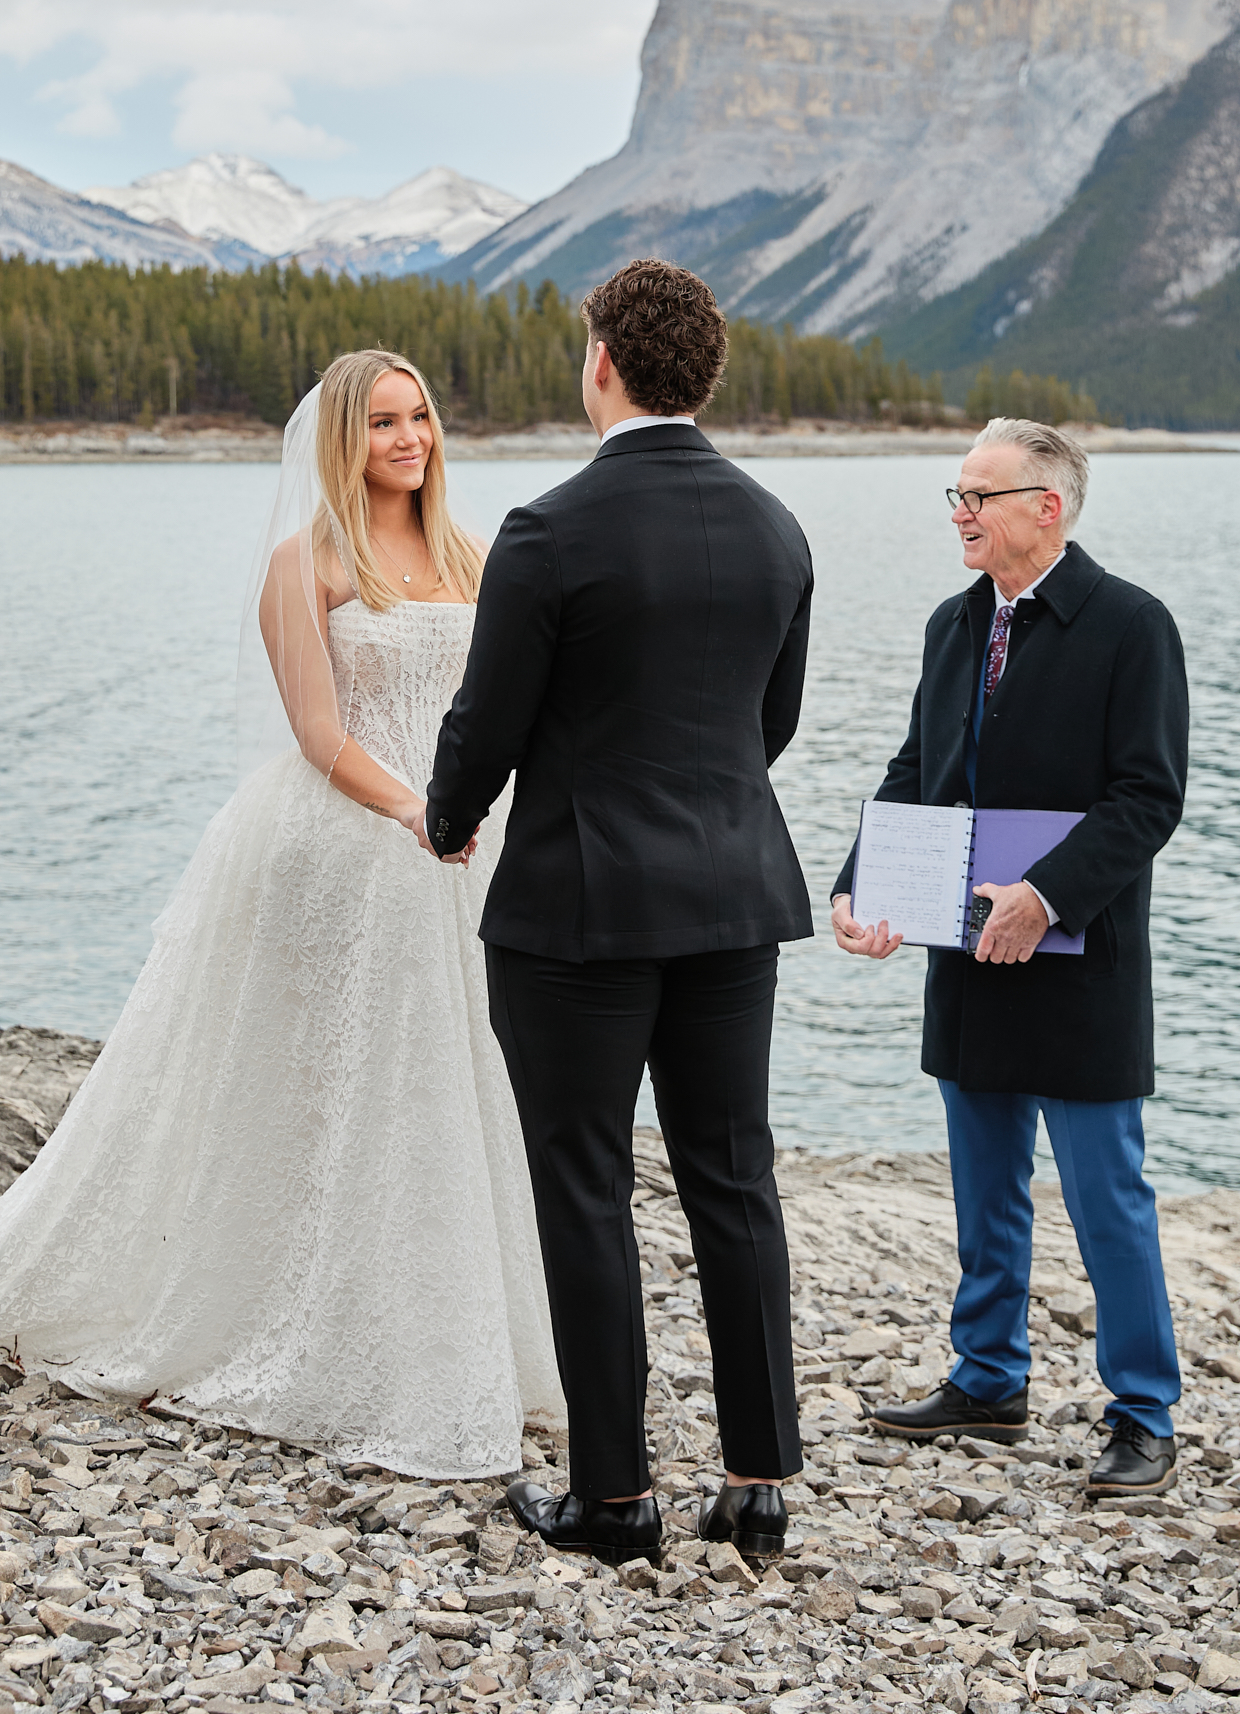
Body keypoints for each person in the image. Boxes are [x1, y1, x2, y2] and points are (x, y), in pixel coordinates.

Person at [0, 349, 561, 1479]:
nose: (407, 438)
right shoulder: (306, 561)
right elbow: (319, 733)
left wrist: (483, 811)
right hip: (352, 840)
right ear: (342, 439)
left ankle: (455, 1321)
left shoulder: (471, 553)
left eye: (419, 416)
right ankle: (306, 1315)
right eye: (382, 421)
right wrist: (415, 811)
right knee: (327, 1090)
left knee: (451, 1084)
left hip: (461, 846)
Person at [419, 259, 815, 1567]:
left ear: (599, 363)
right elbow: (768, 727)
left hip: (577, 913)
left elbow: (487, 721)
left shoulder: (548, 530)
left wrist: (445, 812)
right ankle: (758, 1481)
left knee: (583, 1186)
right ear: (700, 375)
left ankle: (615, 1501)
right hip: (729, 896)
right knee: (731, 1178)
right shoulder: (773, 527)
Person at [832, 416, 1188, 1498]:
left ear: (1049, 506)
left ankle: (1143, 1412)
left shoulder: (1131, 624)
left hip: (1079, 957)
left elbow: (1147, 797)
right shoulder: (952, 624)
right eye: (954, 493)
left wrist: (1044, 893)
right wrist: (861, 881)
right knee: (984, 1188)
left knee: (1104, 1194)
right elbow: (913, 768)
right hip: (963, 951)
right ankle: (987, 1379)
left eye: (978, 495)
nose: (959, 512)